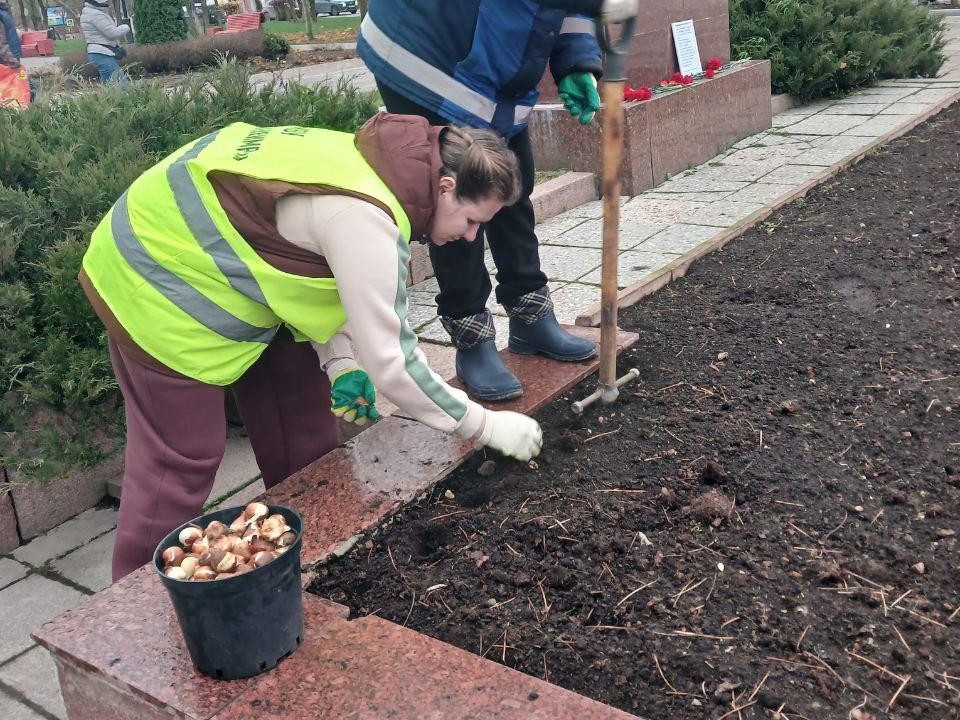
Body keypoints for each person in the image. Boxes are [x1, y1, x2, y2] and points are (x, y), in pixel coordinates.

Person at [80, 113, 545, 580]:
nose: (470, 236)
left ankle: (297, 556)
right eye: (470, 220)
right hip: (151, 275)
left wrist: (338, 361)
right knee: (182, 456)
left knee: (302, 419)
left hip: (220, 263)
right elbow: (395, 364)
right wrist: (484, 425)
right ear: (444, 187)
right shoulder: (369, 218)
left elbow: (311, 262)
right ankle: (133, 604)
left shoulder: (379, 165)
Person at [358, 0, 639, 401]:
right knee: (457, 203)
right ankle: (471, 335)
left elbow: (560, 9)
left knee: (512, 186)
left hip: (497, 50)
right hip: (430, 53)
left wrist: (575, 58)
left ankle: (530, 315)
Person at [80, 0, 129, 84]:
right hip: (102, 54)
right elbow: (112, 33)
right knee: (122, 84)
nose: (107, 2)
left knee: (108, 85)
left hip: (97, 53)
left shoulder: (89, 13)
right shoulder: (96, 15)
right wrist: (126, 27)